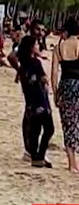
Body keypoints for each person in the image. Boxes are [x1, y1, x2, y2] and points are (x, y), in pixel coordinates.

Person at [51, 18, 79, 173]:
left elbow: (54, 73)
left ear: (67, 31)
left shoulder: (59, 48)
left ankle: (72, 164)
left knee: (68, 125)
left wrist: (56, 93)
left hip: (66, 87)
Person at [7, 20, 47, 161]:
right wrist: (20, 71)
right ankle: (29, 148)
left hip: (35, 82)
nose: (40, 32)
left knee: (34, 113)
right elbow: (11, 56)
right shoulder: (25, 42)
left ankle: (31, 148)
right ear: (31, 29)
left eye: (42, 30)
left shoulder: (36, 43)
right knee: (31, 112)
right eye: (38, 29)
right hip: (31, 83)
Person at [17, 35, 54, 168]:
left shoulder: (23, 65)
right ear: (32, 48)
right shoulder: (35, 63)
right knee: (49, 128)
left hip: (30, 101)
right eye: (37, 44)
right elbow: (44, 79)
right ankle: (40, 154)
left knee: (35, 129)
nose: (39, 46)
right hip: (40, 98)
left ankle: (34, 156)